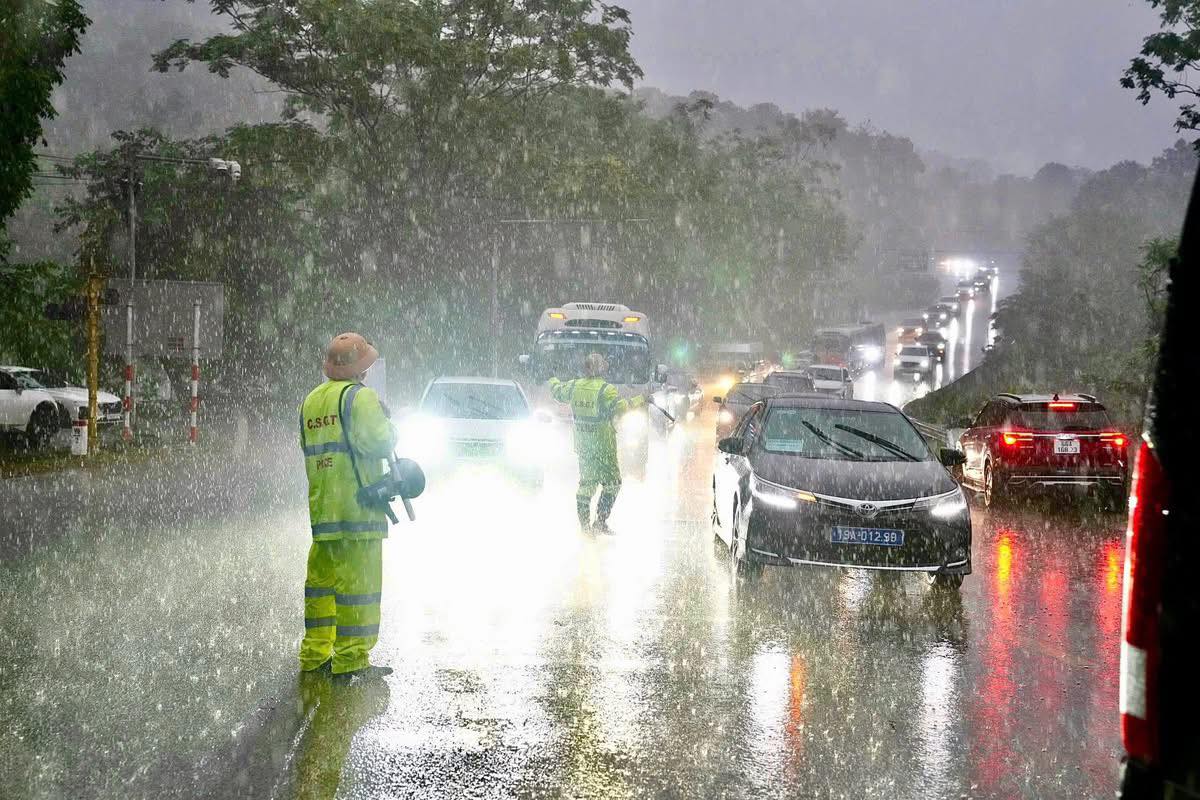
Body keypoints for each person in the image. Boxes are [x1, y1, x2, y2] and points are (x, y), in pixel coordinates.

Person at [298, 332, 397, 679]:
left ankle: (315, 654)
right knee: (359, 590)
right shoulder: (361, 399)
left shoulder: (310, 402)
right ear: (363, 367)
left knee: (322, 588)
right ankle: (352, 660)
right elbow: (381, 441)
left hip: (323, 513)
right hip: (359, 512)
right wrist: (388, 423)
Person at [549, 352, 646, 534]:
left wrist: (552, 377)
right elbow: (620, 407)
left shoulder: (574, 386)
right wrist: (642, 399)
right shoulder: (606, 389)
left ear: (585, 368)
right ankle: (600, 521)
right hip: (604, 445)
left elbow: (557, 392)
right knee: (612, 483)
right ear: (602, 368)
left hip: (583, 445)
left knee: (586, 486)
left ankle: (585, 527)